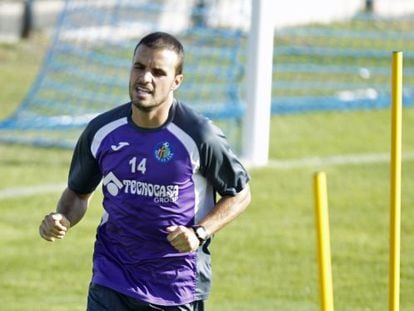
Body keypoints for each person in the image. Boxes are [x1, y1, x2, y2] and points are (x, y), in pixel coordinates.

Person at [39, 31, 251, 311]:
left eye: (158, 72)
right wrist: (62, 217)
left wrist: (199, 232)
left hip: (176, 287)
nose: (145, 78)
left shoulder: (199, 135)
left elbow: (240, 194)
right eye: (139, 67)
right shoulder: (102, 131)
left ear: (177, 81)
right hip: (112, 280)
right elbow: (77, 194)